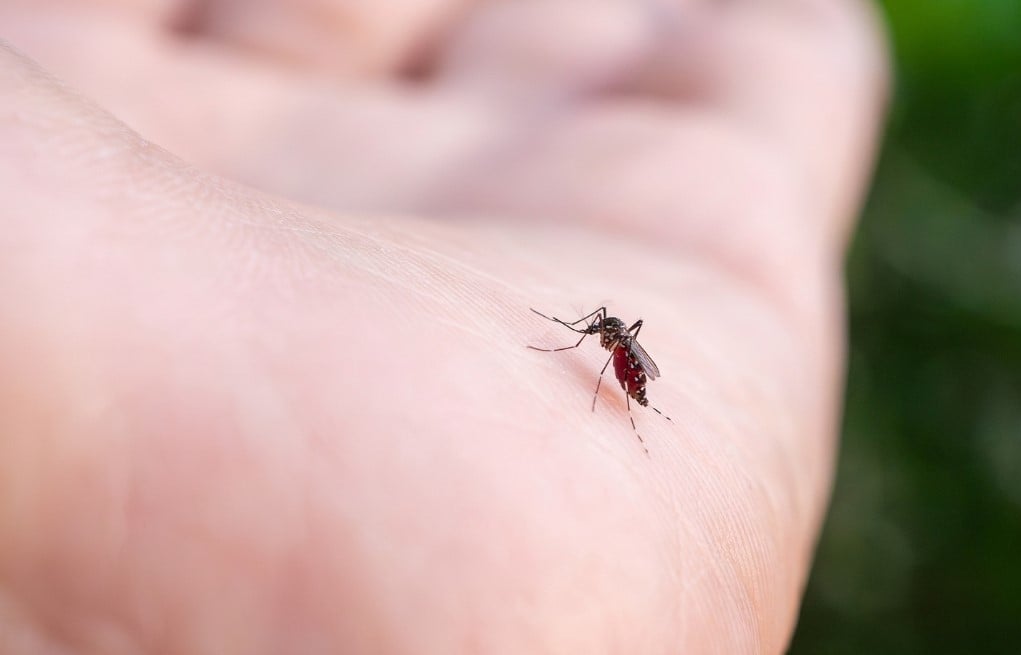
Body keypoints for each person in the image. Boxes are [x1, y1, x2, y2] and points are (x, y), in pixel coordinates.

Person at [0, 1, 886, 652]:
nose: (605, 335)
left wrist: (588, 345)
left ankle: (640, 420)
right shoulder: (616, 331)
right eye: (610, 334)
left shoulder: (617, 343)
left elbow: (610, 340)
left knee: (606, 368)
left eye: (608, 332)